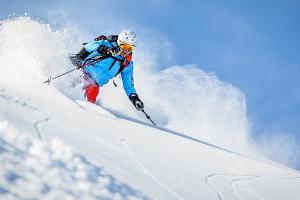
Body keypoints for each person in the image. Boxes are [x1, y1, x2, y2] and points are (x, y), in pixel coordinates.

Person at [70, 30, 144, 111]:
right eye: (124, 46)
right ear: (119, 42)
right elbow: (88, 46)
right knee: (68, 86)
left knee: (90, 102)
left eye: (130, 48)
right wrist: (106, 49)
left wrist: (135, 98)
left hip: (93, 84)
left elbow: (129, 85)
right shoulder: (107, 44)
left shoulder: (127, 64)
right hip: (82, 72)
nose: (126, 50)